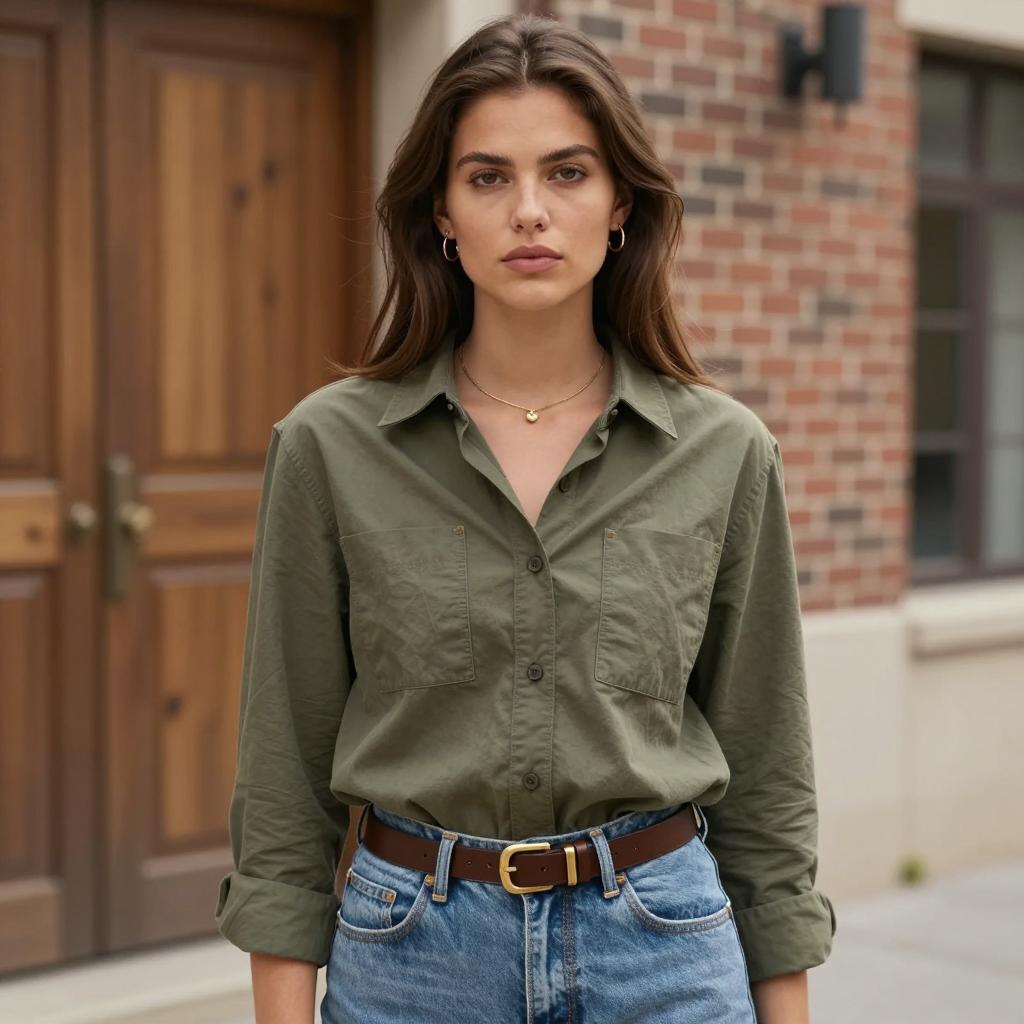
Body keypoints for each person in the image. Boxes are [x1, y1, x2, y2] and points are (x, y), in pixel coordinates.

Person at [214, 12, 836, 1024]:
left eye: (568, 173)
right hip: (411, 955)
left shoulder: (724, 452)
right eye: (489, 177)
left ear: (621, 203)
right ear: (443, 216)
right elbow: (284, 772)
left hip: (665, 951)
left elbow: (767, 770)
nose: (530, 212)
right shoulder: (330, 448)